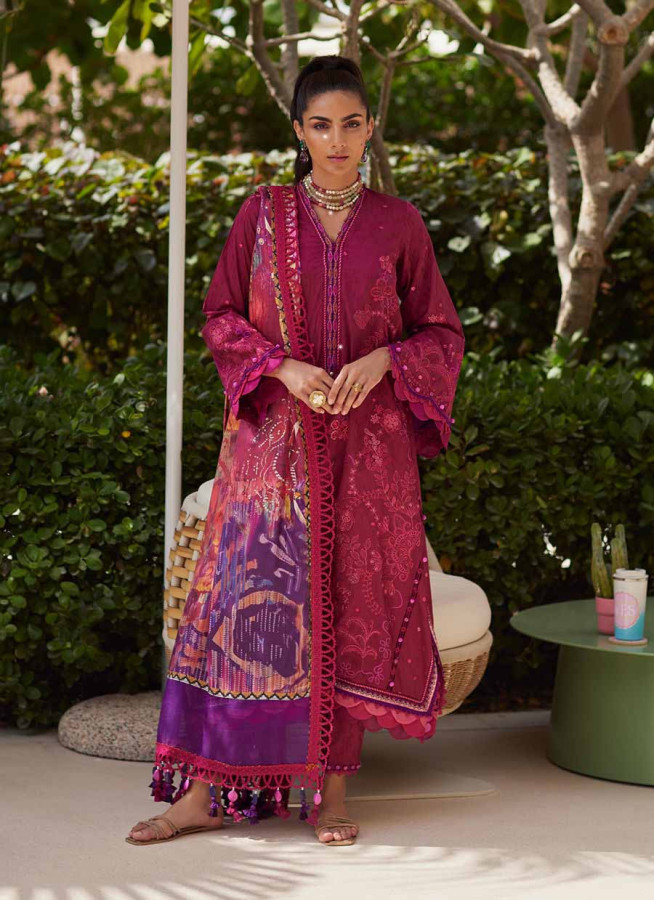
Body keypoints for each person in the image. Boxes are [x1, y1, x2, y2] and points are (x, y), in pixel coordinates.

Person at [126, 54, 464, 848]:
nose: (336, 140)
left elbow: (441, 333)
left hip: (369, 452)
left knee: (348, 608)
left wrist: (385, 361)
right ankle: (204, 794)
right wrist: (284, 367)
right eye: (321, 125)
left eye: (350, 124)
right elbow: (221, 318)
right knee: (242, 606)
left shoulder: (400, 224)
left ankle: (331, 793)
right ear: (299, 131)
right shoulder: (263, 215)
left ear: (370, 128)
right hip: (274, 448)